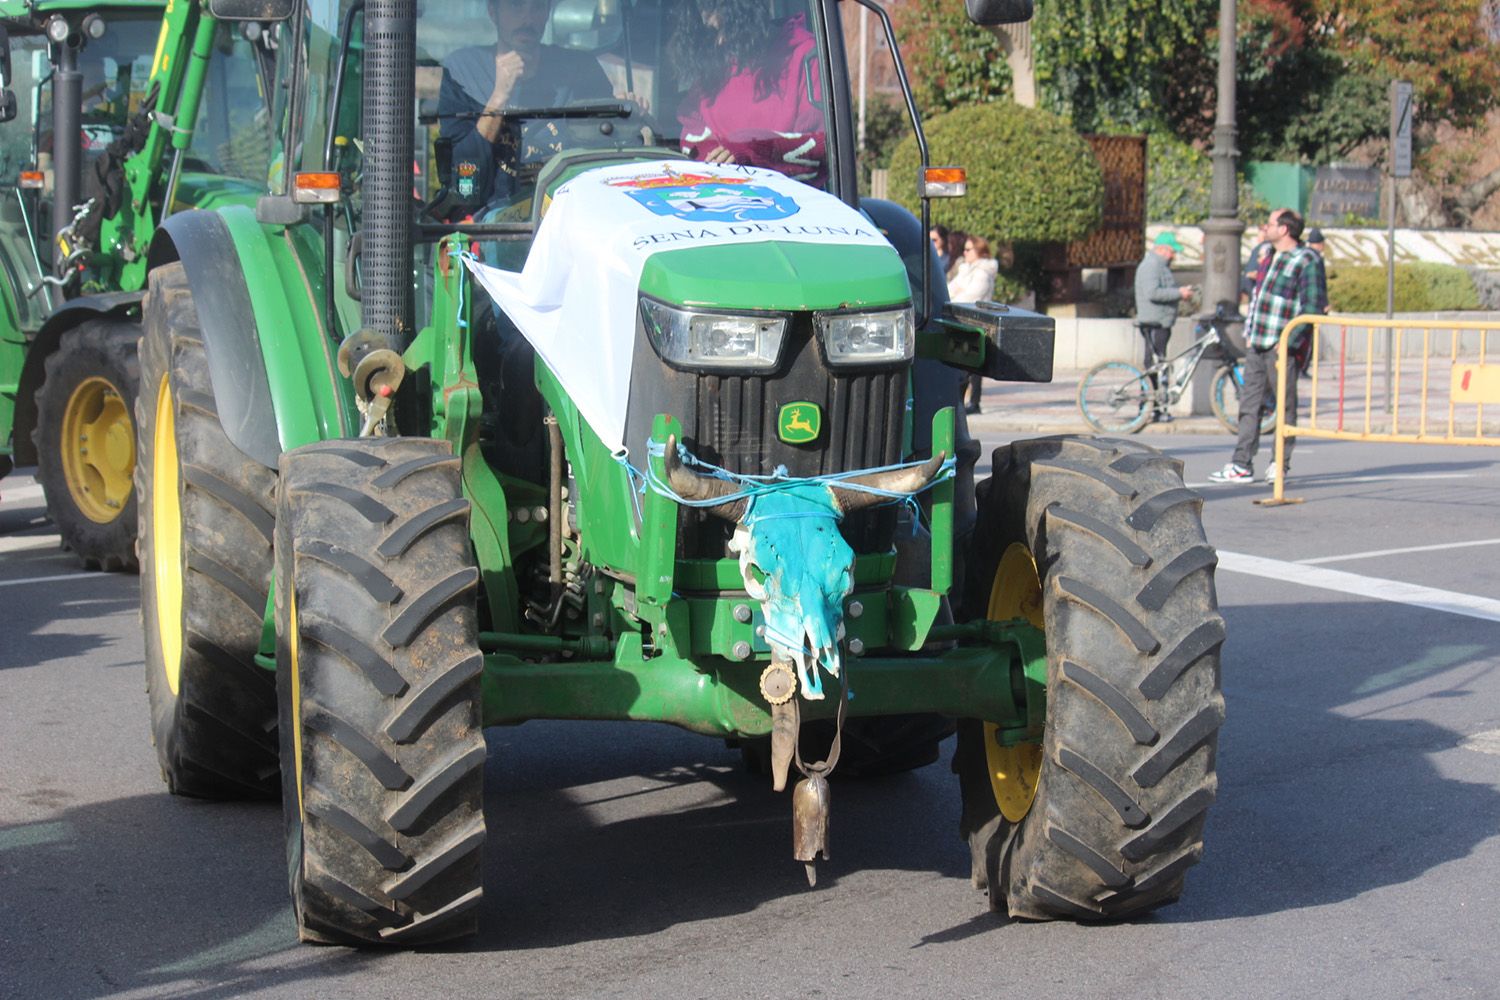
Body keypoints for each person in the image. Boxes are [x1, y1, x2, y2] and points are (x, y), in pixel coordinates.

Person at [438, 0, 615, 214]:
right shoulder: (465, 72)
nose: (528, 19)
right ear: (493, 12)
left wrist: (629, 117)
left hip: (569, 212)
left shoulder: (580, 71)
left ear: (548, 12)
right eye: (516, 5)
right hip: (495, 224)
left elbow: (606, 150)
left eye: (538, 7)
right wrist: (499, 96)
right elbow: (461, 177)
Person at [1209, 208, 1327, 484]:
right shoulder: (1269, 257)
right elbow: (1259, 299)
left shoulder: (1307, 259)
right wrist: (1250, 333)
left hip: (1281, 346)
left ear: (1284, 229)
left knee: (1284, 407)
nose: (1265, 228)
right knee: (1249, 405)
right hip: (1258, 343)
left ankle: (1279, 463)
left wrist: (1290, 342)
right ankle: (1241, 463)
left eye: (1270, 223)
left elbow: (1312, 308)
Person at [672, 0, 827, 186]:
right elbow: (691, 133)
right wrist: (718, 162)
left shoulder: (804, 55)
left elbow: (821, 149)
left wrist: (747, 152)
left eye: (727, 27)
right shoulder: (714, 63)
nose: (719, 41)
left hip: (790, 206)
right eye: (711, 32)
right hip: (714, 199)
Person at [1133, 231, 1194, 423]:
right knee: (1153, 365)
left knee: (1158, 364)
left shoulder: (1160, 266)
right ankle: (1148, 407)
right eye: (1171, 251)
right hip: (1154, 322)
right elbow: (1152, 293)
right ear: (1161, 249)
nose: (1173, 255)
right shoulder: (1151, 266)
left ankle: (1156, 407)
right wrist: (1178, 293)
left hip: (1160, 321)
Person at [948, 236, 998, 413]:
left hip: (977, 323)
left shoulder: (983, 273)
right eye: (965, 249)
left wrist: (956, 295)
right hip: (961, 321)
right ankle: (962, 402)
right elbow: (950, 289)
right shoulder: (965, 270)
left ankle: (974, 403)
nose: (965, 252)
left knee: (974, 366)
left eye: (969, 249)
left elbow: (969, 297)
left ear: (980, 251)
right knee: (964, 364)